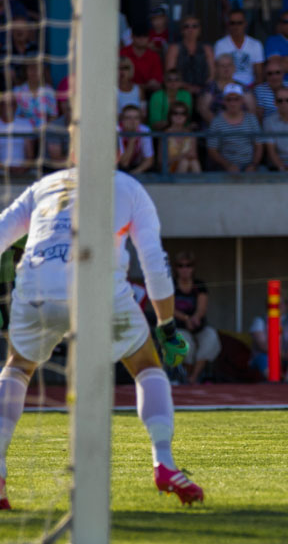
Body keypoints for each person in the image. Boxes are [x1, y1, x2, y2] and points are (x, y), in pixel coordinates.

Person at [0, 167, 204, 510]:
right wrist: (167, 325)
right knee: (145, 365)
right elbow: (154, 263)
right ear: (118, 150)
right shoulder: (129, 186)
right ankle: (165, 464)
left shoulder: (43, 185)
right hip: (100, 289)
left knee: (18, 367)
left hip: (37, 290)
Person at [172, 252, 222, 385]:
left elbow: (202, 308)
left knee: (210, 337)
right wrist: (185, 319)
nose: (184, 269)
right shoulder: (170, 285)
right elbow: (168, 308)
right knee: (186, 344)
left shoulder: (199, 284)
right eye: (181, 266)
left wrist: (195, 318)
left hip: (197, 326)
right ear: (176, 268)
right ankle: (187, 375)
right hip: (178, 327)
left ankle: (194, 377)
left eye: (188, 265)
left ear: (193, 268)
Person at [249, 301, 288, 383]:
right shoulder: (260, 321)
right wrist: (279, 353)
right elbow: (262, 345)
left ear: (286, 305)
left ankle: (287, 379)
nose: (279, 306)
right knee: (262, 358)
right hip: (268, 355)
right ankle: (273, 380)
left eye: (281, 303)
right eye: (276, 303)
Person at [207, 83, 263, 172]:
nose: (232, 103)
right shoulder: (216, 122)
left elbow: (259, 146)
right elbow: (212, 150)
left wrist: (253, 165)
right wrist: (227, 165)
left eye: (236, 99)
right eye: (229, 99)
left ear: (242, 100)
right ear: (224, 101)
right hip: (225, 169)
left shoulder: (251, 119)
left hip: (250, 168)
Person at [198, 53, 256, 127]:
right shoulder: (210, 88)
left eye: (229, 65)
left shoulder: (242, 87)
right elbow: (204, 109)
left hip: (241, 130)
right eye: (222, 66)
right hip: (217, 131)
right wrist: (221, 127)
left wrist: (239, 127)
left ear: (234, 67)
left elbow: (252, 109)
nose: (226, 68)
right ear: (216, 68)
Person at [164, 15, 214, 98]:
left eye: (194, 26)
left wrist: (202, 89)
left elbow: (212, 75)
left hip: (203, 91)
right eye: (186, 26)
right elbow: (170, 74)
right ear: (182, 30)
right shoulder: (174, 48)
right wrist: (187, 87)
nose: (190, 29)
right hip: (179, 90)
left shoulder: (206, 49)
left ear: (199, 30)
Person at [213, 8, 264, 87]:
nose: (236, 26)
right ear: (228, 25)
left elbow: (259, 75)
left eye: (239, 23)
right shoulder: (220, 45)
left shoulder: (256, 44)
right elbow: (217, 72)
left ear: (245, 24)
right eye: (232, 23)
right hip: (226, 87)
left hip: (250, 87)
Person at [120, 23, 164, 94]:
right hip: (123, 91)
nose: (141, 38)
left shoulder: (154, 56)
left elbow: (156, 84)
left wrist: (137, 87)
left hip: (148, 94)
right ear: (132, 36)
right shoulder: (122, 53)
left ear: (149, 37)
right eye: (138, 35)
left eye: (145, 35)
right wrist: (144, 86)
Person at [13, 61, 56, 129]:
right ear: (26, 71)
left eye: (37, 68)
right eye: (31, 68)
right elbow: (15, 116)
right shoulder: (17, 91)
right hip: (23, 131)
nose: (34, 71)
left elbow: (53, 115)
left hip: (44, 133)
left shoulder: (49, 91)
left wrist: (45, 130)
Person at [161, 101, 201, 174]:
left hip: (189, 166)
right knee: (184, 162)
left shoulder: (191, 134)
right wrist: (181, 157)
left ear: (186, 116)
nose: (179, 116)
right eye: (175, 113)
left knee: (193, 162)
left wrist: (183, 158)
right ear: (170, 115)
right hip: (169, 170)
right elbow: (161, 161)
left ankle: (199, 184)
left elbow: (194, 156)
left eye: (183, 113)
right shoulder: (165, 134)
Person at [0, 94, 34, 175]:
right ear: (0, 106)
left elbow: (30, 155)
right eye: (4, 104)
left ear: (16, 107)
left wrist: (23, 169)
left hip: (23, 171)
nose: (8, 107)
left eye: (12, 104)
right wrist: (7, 169)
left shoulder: (25, 124)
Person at [117, 104, 154, 175]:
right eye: (128, 118)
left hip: (136, 166)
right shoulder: (117, 130)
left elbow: (149, 160)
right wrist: (132, 139)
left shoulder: (144, 130)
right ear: (122, 119)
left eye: (136, 118)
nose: (132, 121)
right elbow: (124, 163)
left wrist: (135, 172)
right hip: (120, 168)